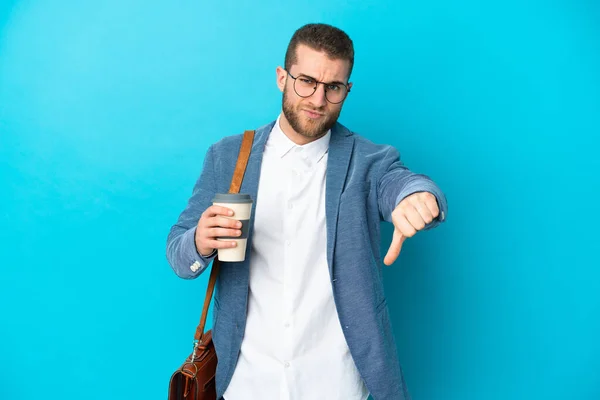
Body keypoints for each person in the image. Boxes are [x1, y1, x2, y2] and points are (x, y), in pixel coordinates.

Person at [166, 23, 448, 400]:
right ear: (282, 78)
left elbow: (401, 183)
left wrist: (419, 197)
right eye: (306, 81)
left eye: (333, 87)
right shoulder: (229, 156)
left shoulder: (367, 161)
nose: (318, 99)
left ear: (347, 90)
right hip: (248, 383)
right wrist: (199, 241)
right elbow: (179, 255)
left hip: (338, 384)